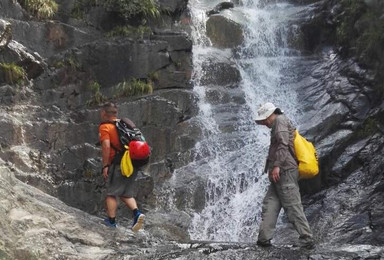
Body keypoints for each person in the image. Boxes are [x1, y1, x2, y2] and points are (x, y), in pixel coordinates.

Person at [254, 102, 314, 248]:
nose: (263, 123)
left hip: (285, 170)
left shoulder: (280, 121)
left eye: (263, 119)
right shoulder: (278, 123)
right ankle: (263, 239)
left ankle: (307, 239)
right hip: (280, 173)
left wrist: (276, 166)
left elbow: (282, 144)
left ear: (270, 115)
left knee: (292, 205)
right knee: (270, 204)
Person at [99, 102, 145, 231]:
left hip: (119, 163)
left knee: (111, 193)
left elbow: (106, 146)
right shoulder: (124, 125)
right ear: (116, 113)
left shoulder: (105, 127)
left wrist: (105, 165)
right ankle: (137, 213)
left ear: (103, 113)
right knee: (125, 192)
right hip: (132, 162)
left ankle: (111, 222)